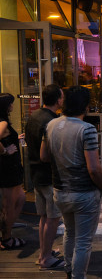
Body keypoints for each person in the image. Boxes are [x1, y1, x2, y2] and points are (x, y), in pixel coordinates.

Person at [41, 86, 102, 278]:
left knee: (69, 232)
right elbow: (94, 168)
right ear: (86, 106)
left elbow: (43, 156)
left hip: (60, 191)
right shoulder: (86, 129)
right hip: (84, 193)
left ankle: (69, 270)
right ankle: (78, 276)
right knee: (84, 241)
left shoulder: (51, 125)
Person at [25, 85, 65, 268]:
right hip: (49, 175)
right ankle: (46, 258)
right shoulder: (52, 121)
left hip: (35, 173)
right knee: (53, 217)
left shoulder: (34, 116)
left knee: (43, 216)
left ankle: (44, 252)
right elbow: (46, 154)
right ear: (58, 100)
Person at [0, 93, 26, 250]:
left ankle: (6, 234)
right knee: (10, 204)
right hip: (8, 168)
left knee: (18, 199)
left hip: (10, 168)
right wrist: (5, 151)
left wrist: (15, 139)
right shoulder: (2, 122)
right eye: (11, 103)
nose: (13, 106)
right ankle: (7, 238)